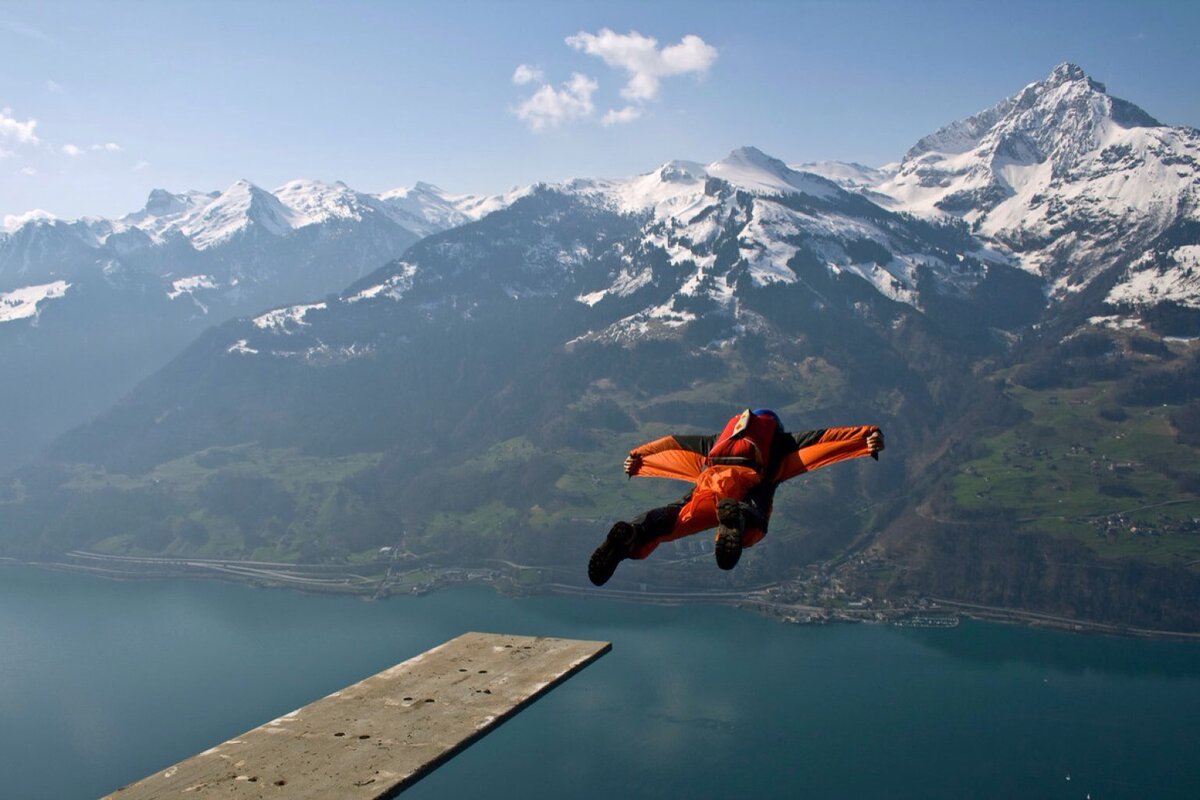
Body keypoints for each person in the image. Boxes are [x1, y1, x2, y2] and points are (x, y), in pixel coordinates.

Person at [588, 408, 885, 586]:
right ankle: (736, 522)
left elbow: (672, 443)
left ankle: (634, 532)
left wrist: (637, 458)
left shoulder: (715, 442)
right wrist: (867, 437)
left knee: (675, 518)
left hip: (709, 482)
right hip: (749, 489)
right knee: (756, 523)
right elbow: (826, 440)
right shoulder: (780, 444)